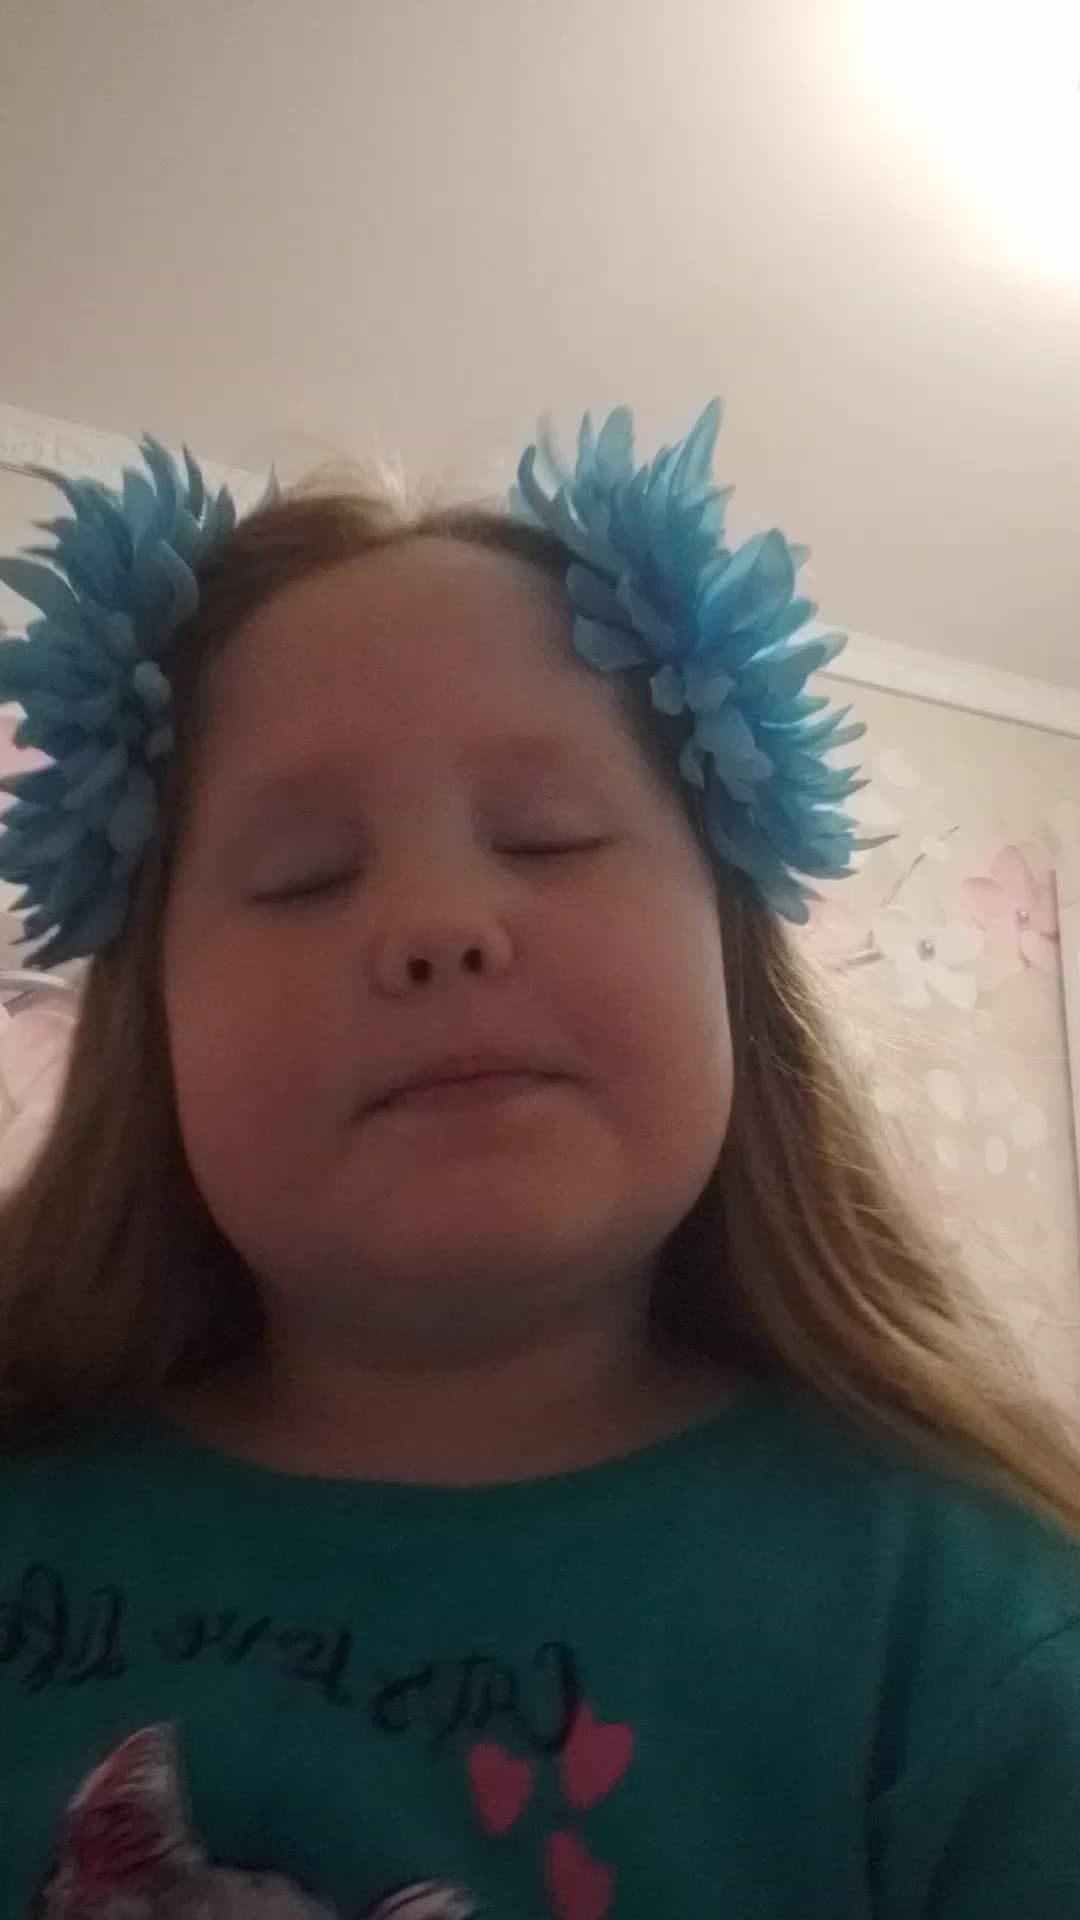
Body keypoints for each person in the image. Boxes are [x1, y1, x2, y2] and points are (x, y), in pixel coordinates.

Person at [0, 406, 1077, 1920]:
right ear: (151, 1029)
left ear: (734, 973)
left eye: (553, 837)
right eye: (304, 876)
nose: (438, 924)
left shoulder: (978, 1636)